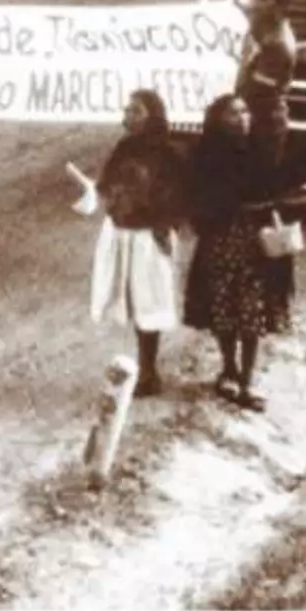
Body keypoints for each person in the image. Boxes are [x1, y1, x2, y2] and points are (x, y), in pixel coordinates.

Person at [70, 89, 190, 397]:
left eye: (137, 110)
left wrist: (160, 222)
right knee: (134, 300)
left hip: (149, 238)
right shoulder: (124, 147)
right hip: (123, 234)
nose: (129, 115)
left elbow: (178, 198)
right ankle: (145, 367)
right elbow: (108, 185)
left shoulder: (168, 154)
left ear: (153, 116)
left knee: (149, 301)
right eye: (128, 110)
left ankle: (149, 371)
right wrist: (98, 192)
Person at [182, 92, 295, 411]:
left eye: (245, 112)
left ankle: (247, 379)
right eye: (233, 114)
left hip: (255, 245)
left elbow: (275, 187)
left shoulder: (260, 151)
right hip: (220, 243)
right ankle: (228, 367)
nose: (242, 119)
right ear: (217, 120)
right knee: (223, 311)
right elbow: (198, 200)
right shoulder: (204, 157)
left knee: (251, 313)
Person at [236, 0, 298, 196]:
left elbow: (255, 88)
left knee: (258, 187)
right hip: (256, 117)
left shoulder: (278, 44)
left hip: (264, 120)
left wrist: (243, 64)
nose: (256, 5)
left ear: (279, 4)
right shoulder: (263, 28)